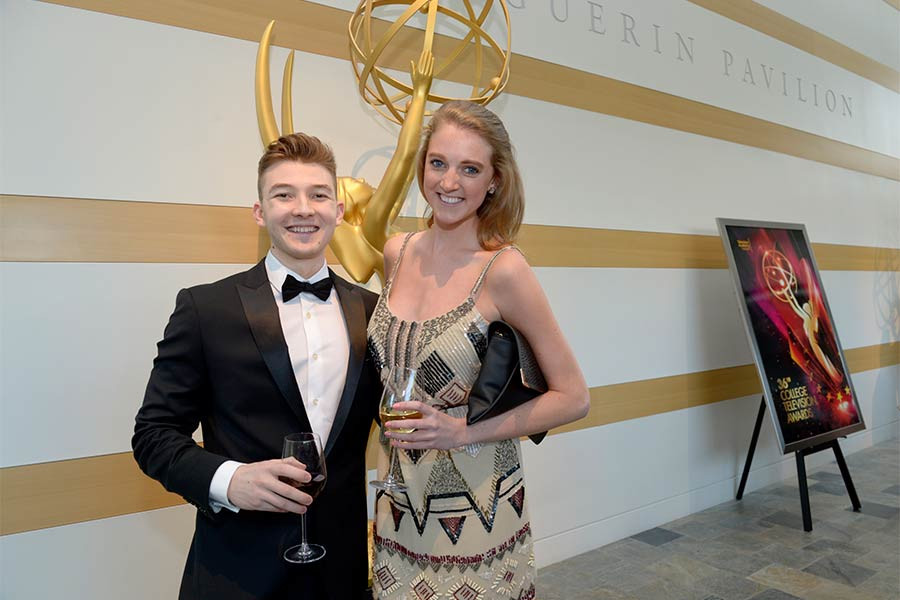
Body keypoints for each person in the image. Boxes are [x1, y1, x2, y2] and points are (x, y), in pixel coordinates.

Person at [133, 133, 380, 600]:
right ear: (260, 211)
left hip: (341, 572)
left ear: (339, 211)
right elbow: (153, 435)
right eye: (284, 195)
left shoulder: (374, 312)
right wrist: (229, 480)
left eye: (319, 194)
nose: (303, 208)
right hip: (237, 571)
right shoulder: (205, 308)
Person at [366, 101, 590, 599]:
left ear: (493, 181)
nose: (449, 182)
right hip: (398, 502)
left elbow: (574, 396)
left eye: (470, 169)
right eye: (439, 162)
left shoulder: (504, 270)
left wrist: (462, 429)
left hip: (478, 505)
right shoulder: (395, 252)